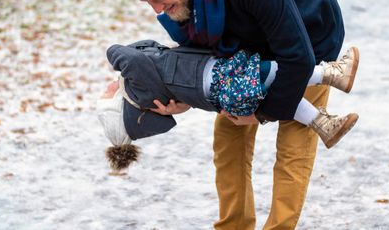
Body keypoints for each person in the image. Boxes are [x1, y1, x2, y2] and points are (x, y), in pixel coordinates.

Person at [122, 0, 349, 229]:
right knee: (228, 136)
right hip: (248, 51)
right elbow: (202, 63)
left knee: (294, 141)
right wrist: (183, 98)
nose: (156, 10)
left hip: (309, 46)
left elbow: (298, 58)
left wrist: (262, 112)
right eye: (147, 1)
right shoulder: (181, 4)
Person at [98, 40, 359, 171]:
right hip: (219, 78)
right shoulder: (138, 88)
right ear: (119, 107)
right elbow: (131, 57)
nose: (107, 88)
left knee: (281, 93)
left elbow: (152, 50)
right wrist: (112, 53)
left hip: (223, 95)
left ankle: (323, 124)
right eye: (107, 95)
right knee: (274, 71)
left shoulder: (151, 104)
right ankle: (331, 74)